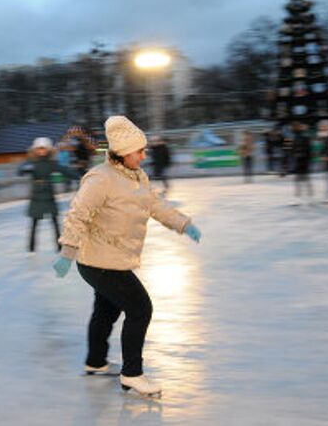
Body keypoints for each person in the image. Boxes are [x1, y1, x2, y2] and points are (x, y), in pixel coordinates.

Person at [53, 115, 202, 398]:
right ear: (122, 152)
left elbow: (156, 204)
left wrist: (182, 223)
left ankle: (95, 362)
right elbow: (77, 215)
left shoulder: (137, 177)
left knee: (107, 309)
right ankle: (132, 374)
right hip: (98, 261)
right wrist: (67, 252)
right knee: (140, 309)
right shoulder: (101, 179)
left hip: (112, 258)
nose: (144, 156)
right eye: (139, 151)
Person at [18, 137, 78, 256]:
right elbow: (20, 171)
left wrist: (79, 176)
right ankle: (31, 249)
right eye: (39, 149)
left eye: (44, 149)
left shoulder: (51, 163)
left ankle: (59, 247)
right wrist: (24, 168)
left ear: (48, 150)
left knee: (55, 223)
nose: (41, 151)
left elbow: (64, 170)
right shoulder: (31, 163)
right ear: (35, 150)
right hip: (36, 196)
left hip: (49, 195)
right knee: (34, 224)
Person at [291, 122, 313, 205]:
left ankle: (307, 195)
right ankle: (301, 195)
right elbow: (289, 148)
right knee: (300, 179)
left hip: (303, 160)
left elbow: (309, 149)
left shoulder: (304, 137)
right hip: (299, 160)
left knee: (303, 178)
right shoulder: (293, 137)